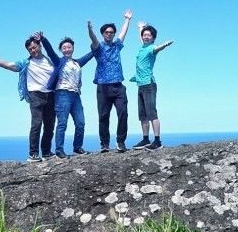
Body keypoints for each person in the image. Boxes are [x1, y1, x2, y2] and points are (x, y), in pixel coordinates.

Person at [0, 31, 59, 162]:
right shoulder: (26, 63)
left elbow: (59, 70)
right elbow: (9, 65)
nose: (33, 50)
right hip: (35, 95)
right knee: (36, 124)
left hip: (51, 95)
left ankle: (46, 152)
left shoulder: (49, 61)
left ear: (40, 46)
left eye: (34, 47)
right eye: (30, 49)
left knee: (49, 125)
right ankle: (33, 154)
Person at [47, 28, 97, 158]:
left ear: (73, 48)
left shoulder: (77, 63)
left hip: (76, 95)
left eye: (69, 47)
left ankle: (77, 147)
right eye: (64, 48)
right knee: (62, 123)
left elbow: (91, 54)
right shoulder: (59, 61)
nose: (67, 49)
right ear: (61, 50)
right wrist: (43, 39)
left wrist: (98, 45)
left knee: (80, 123)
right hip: (62, 94)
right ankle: (59, 150)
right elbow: (50, 51)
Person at [88, 9, 133, 153]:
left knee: (123, 113)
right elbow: (93, 40)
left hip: (118, 86)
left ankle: (120, 142)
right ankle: (105, 144)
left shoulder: (117, 46)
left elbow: (123, 33)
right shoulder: (98, 47)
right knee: (103, 116)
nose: (109, 34)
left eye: (111, 32)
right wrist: (90, 30)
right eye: (106, 32)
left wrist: (127, 19)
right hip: (103, 87)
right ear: (103, 34)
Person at [130, 22, 173, 150]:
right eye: (144, 35)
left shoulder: (151, 48)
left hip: (149, 84)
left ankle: (158, 141)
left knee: (152, 113)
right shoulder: (143, 47)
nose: (145, 37)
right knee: (142, 115)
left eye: (149, 35)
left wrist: (163, 46)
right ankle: (145, 139)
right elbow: (142, 37)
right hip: (140, 84)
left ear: (153, 38)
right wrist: (141, 28)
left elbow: (156, 49)